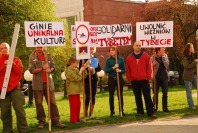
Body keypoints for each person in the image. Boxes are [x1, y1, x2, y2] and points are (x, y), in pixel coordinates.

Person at [28, 47, 66, 129]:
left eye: (41, 47)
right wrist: (42, 68)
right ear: (35, 47)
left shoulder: (48, 55)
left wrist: (50, 69)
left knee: (52, 102)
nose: (39, 48)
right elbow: (31, 70)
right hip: (38, 84)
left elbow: (53, 66)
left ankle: (56, 121)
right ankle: (41, 121)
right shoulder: (32, 56)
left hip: (49, 83)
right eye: (38, 47)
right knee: (38, 103)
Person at [0, 42, 28, 133]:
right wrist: (4, 66)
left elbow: (20, 73)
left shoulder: (16, 60)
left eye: (5, 48)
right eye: (1, 48)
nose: (4, 50)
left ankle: (23, 129)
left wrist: (11, 64)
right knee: (5, 112)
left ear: (10, 49)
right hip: (3, 90)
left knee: (19, 110)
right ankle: (7, 130)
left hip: (15, 88)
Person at [126, 41, 157, 118]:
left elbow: (149, 67)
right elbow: (128, 69)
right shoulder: (129, 57)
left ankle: (150, 112)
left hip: (144, 80)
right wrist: (130, 78)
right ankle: (140, 111)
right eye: (137, 45)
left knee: (147, 96)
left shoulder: (146, 56)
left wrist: (148, 77)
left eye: (139, 45)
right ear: (133, 46)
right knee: (137, 96)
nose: (138, 47)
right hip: (134, 80)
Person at [79, 47, 101, 117]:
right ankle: (85, 113)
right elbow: (80, 68)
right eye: (90, 49)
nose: (91, 50)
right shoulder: (83, 58)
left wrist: (93, 67)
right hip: (86, 79)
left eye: (92, 49)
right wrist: (86, 66)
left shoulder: (94, 58)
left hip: (93, 79)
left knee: (93, 95)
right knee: (87, 95)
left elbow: (99, 68)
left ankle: (91, 113)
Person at [65, 57, 87, 124]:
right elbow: (76, 78)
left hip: (77, 90)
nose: (77, 64)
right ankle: (73, 119)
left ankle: (77, 118)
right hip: (72, 91)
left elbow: (83, 76)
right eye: (76, 63)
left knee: (78, 105)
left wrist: (84, 69)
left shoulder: (75, 69)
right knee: (73, 106)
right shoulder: (68, 70)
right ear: (72, 63)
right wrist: (80, 71)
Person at [105, 46, 125, 117]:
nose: (111, 52)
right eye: (110, 50)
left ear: (116, 51)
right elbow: (106, 70)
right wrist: (113, 68)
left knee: (120, 95)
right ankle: (112, 111)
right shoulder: (108, 60)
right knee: (111, 96)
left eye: (112, 50)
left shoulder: (121, 60)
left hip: (119, 78)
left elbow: (124, 70)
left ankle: (121, 110)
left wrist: (120, 70)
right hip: (111, 79)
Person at [151, 47, 170, 112]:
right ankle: (155, 107)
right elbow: (149, 66)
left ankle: (165, 108)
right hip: (156, 77)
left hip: (164, 76)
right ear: (158, 50)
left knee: (165, 93)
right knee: (155, 93)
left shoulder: (165, 56)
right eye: (162, 50)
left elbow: (167, 64)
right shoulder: (153, 57)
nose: (164, 51)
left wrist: (163, 58)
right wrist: (152, 64)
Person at [182, 43, 198, 109]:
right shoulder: (185, 57)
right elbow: (187, 66)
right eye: (191, 47)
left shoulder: (193, 56)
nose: (192, 48)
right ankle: (191, 106)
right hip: (187, 76)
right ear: (188, 48)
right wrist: (195, 62)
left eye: (192, 47)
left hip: (194, 75)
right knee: (189, 92)